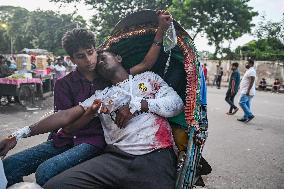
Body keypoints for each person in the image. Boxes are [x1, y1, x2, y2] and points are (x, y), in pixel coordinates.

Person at [1, 11, 172, 187]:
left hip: (94, 141)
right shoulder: (64, 84)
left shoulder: (109, 75)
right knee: (10, 165)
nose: (89, 60)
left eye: (91, 52)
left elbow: (146, 64)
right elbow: (64, 120)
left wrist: (161, 30)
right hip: (65, 138)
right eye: (80, 56)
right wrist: (18, 134)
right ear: (72, 59)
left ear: (96, 50)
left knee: (46, 172)